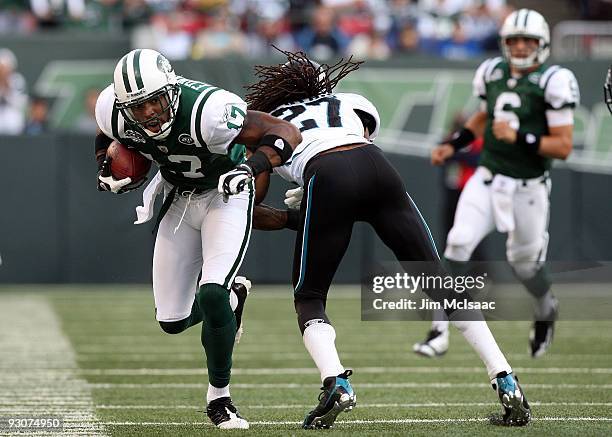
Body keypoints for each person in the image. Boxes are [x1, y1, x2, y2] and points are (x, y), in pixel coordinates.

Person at [242, 49, 531, 428]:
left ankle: (336, 382)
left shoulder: (270, 123)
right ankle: (504, 377)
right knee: (439, 281)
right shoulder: (349, 102)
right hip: (377, 166)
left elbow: (259, 193)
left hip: (325, 175)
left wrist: (300, 194)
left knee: (310, 297)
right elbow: (356, 149)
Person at [94, 48, 301, 429]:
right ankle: (235, 297)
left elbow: (286, 132)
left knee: (211, 293)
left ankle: (219, 399)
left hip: (226, 194)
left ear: (171, 90)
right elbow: (108, 134)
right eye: (138, 108)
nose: (150, 114)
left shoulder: (208, 110)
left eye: (155, 102)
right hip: (178, 198)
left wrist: (251, 167)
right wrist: (107, 165)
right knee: (171, 321)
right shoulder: (112, 109)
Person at [414, 9, 579, 359]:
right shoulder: (492, 71)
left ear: (542, 44)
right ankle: (438, 330)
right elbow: (482, 116)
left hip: (529, 187)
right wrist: (454, 144)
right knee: (458, 243)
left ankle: (546, 307)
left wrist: (520, 136)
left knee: (525, 266)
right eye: (513, 40)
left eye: (527, 40)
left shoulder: (554, 80)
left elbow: (562, 146)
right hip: (487, 179)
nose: (520, 47)